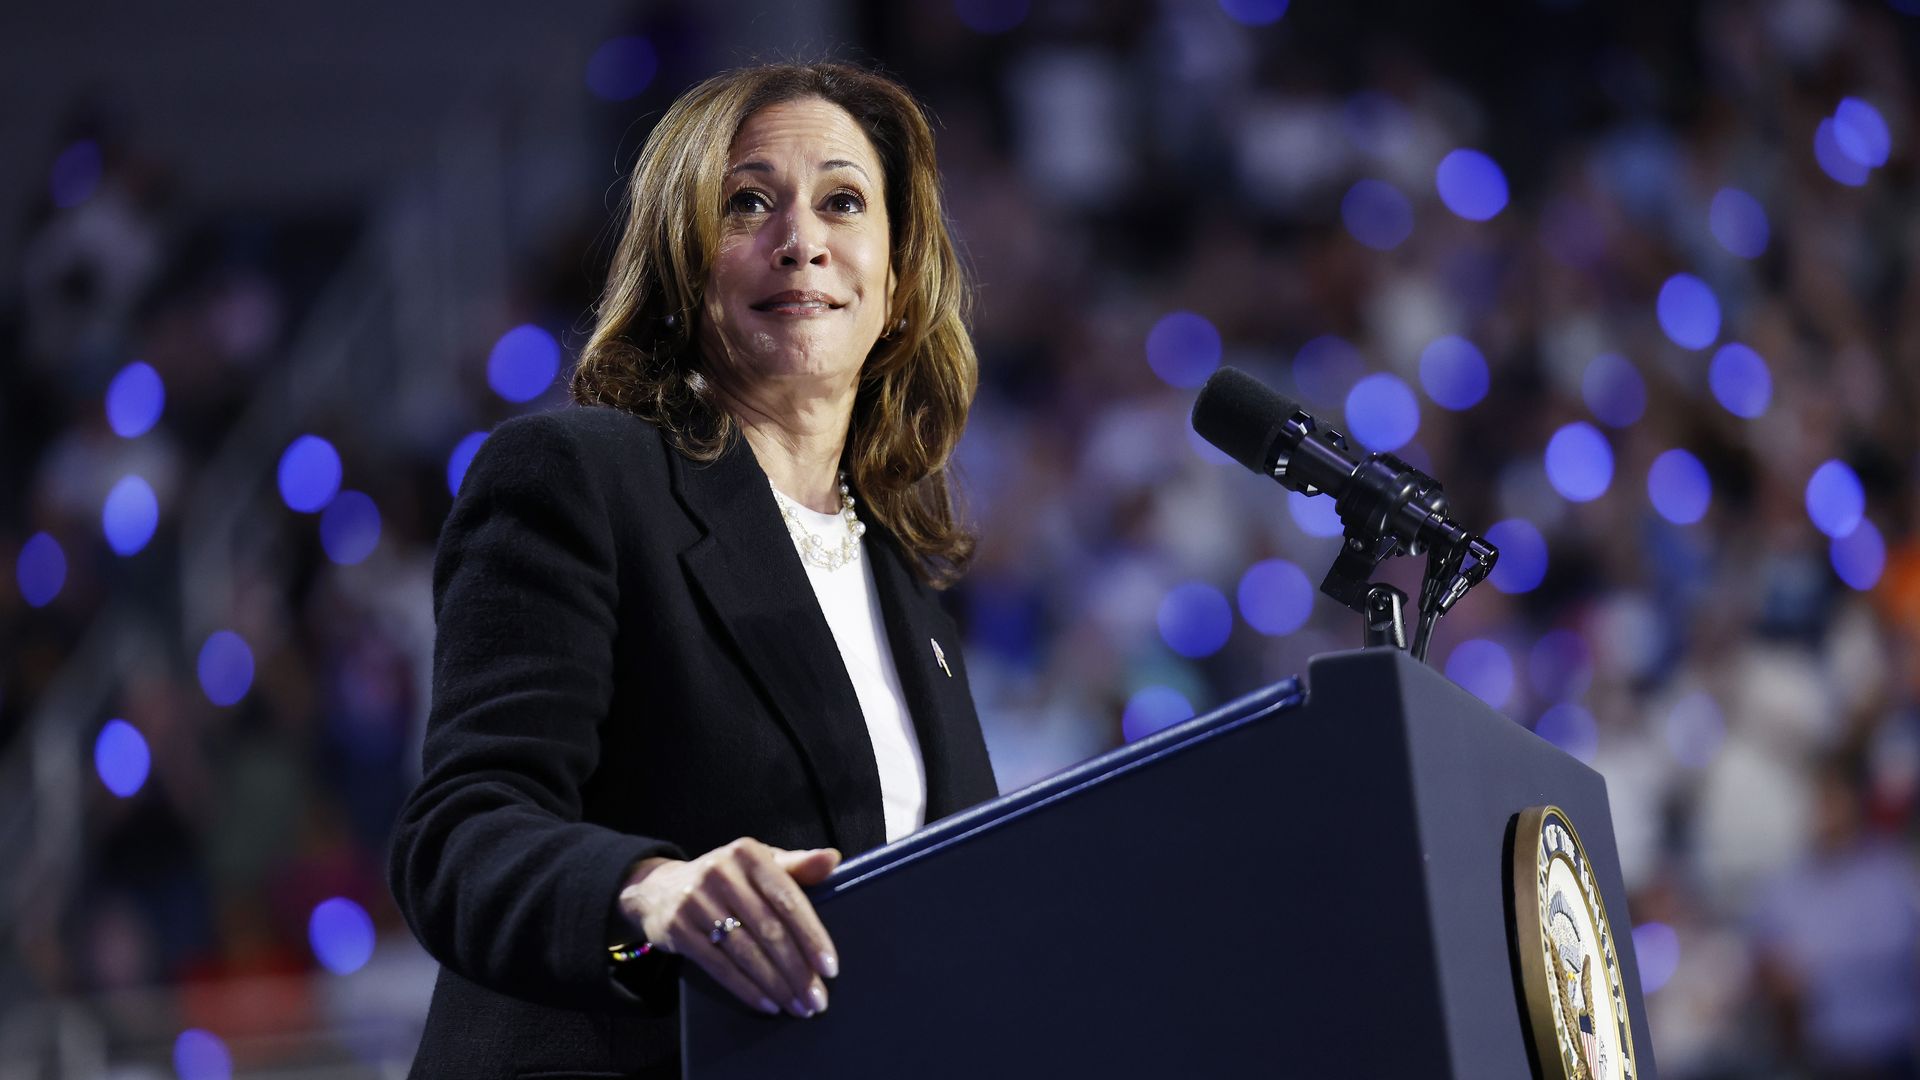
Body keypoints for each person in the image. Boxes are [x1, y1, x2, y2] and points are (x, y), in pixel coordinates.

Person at [387, 61, 999, 1079]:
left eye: (843, 202)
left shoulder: (911, 583)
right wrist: (648, 892)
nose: (800, 239)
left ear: (895, 283)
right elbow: (459, 837)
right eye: (748, 203)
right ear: (684, 265)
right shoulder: (579, 478)